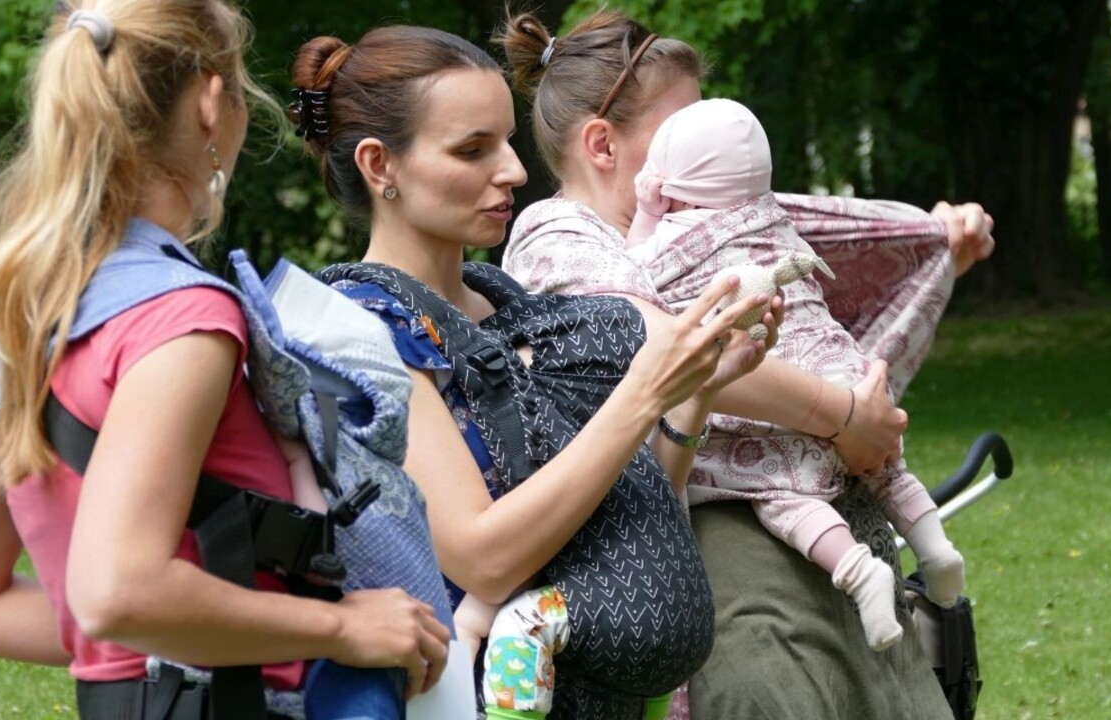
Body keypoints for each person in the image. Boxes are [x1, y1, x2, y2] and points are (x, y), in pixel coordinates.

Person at [0, 3, 449, 719]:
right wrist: (340, 626)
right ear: (209, 101)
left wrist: (158, 639)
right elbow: (119, 591)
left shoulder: (25, 323)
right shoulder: (185, 319)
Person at [497, 9, 995, 719]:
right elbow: (674, 344)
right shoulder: (557, 238)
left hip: (825, 550)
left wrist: (934, 237)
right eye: (684, 132)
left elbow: (822, 235)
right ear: (602, 143)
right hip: (727, 569)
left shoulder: (701, 209)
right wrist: (845, 416)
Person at [289, 24, 774, 719]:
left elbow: (627, 515)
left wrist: (695, 394)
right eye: (472, 149)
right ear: (379, 165)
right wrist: (639, 396)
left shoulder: (507, 298)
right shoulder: (364, 331)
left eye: (508, 141)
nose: (515, 171)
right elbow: (483, 559)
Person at [624, 97, 966, 651]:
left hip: (779, 395)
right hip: (840, 371)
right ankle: (935, 547)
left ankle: (857, 570)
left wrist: (646, 210)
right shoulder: (778, 224)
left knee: (779, 492)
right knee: (886, 468)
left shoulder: (674, 237)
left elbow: (633, 273)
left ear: (673, 184)